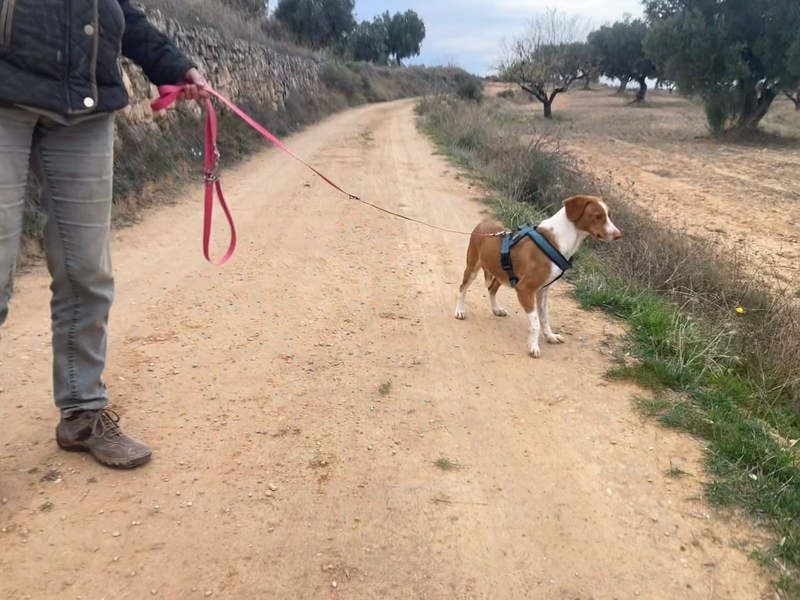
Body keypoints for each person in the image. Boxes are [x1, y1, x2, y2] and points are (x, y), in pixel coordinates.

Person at [0, 0, 208, 469]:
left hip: (86, 105)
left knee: (88, 272)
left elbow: (120, 12)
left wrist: (175, 66)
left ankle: (82, 413)